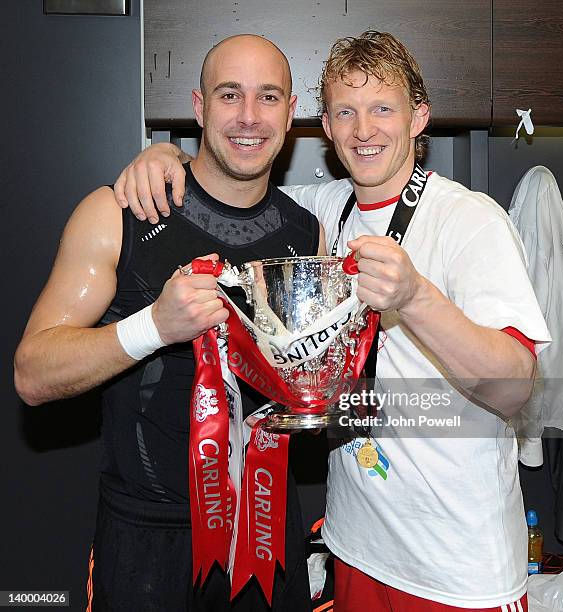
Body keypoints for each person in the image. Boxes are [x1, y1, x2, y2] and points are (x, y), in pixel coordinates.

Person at [115, 31, 551, 612]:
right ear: (324, 126)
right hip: (355, 544)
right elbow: (231, 181)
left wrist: (417, 297)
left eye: (382, 110)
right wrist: (163, 158)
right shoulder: (320, 212)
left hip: (457, 564)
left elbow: (516, 387)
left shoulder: (470, 222)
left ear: (419, 118)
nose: (363, 130)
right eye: (345, 111)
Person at [14, 35, 325, 612]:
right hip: (148, 542)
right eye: (230, 95)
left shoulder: (305, 234)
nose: (250, 117)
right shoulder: (120, 212)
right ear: (200, 107)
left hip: (266, 529)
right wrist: (153, 326)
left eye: (269, 96)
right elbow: (33, 374)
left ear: (291, 111)